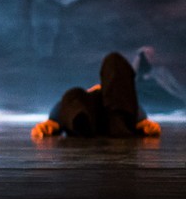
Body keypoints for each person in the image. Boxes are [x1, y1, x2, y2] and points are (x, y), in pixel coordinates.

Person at [30, 51, 162, 139]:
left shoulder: (116, 94)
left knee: (114, 60)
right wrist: (52, 121)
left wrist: (142, 121)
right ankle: (81, 123)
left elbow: (132, 104)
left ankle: (114, 123)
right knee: (74, 94)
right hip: (93, 113)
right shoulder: (85, 96)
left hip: (114, 112)